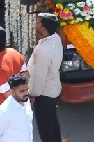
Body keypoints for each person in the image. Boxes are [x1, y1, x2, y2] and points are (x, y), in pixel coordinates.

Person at [28, 13, 64, 142]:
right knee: (52, 123)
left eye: (38, 22)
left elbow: (40, 77)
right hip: (53, 89)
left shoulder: (43, 50)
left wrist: (32, 94)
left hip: (44, 94)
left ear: (44, 28)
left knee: (46, 129)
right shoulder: (56, 38)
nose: (36, 24)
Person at [0, 73, 32, 142]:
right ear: (12, 92)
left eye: (27, 89)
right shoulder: (5, 112)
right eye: (22, 91)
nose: (26, 93)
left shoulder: (26, 102)